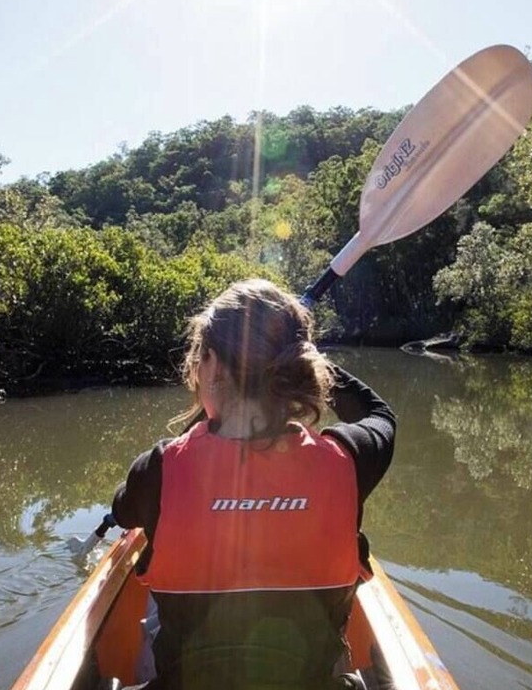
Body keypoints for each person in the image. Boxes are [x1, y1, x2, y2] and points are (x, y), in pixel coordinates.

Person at [111, 278, 396, 690]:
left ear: (213, 365)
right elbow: (380, 415)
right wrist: (302, 355)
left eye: (199, 359)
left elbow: (122, 511)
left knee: (153, 596)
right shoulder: (348, 459)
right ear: (298, 367)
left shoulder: (159, 468)